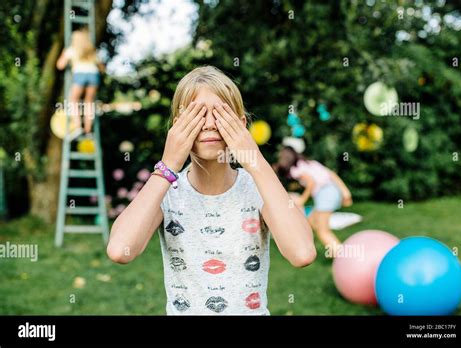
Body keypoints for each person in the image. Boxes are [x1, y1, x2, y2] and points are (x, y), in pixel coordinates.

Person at [107, 66, 316, 315]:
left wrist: (255, 160)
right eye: (196, 115)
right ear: (177, 128)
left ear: (240, 124)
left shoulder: (258, 187)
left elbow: (302, 253)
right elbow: (120, 250)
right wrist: (168, 165)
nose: (208, 125)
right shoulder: (167, 191)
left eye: (219, 114)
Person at [274, 146, 353, 257]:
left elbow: (311, 183)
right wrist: (345, 193)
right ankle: (320, 248)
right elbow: (332, 174)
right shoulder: (310, 163)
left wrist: (302, 199)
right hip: (333, 190)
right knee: (311, 220)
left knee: (323, 231)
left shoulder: (295, 170)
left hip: (325, 194)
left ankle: (343, 257)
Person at [56, 28, 105, 138]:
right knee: (89, 103)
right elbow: (102, 68)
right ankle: (88, 131)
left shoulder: (72, 49)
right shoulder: (91, 51)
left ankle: (78, 127)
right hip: (93, 74)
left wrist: (65, 54)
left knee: (73, 100)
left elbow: (60, 65)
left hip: (80, 74)